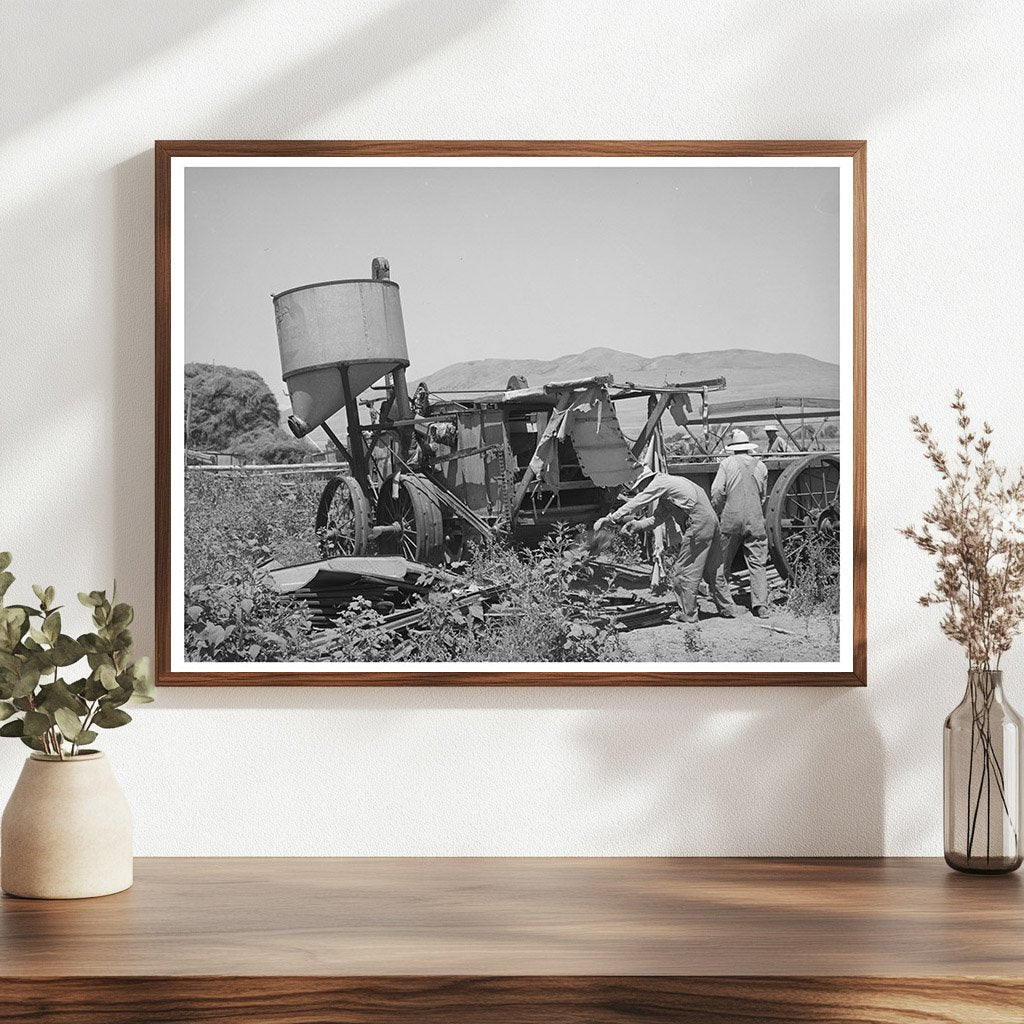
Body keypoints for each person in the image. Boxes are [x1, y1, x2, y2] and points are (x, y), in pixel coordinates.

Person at [595, 470, 737, 623]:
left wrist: (611, 518)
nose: (640, 490)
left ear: (647, 480)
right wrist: (638, 525)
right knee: (714, 569)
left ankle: (689, 614)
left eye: (640, 486)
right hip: (711, 521)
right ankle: (727, 608)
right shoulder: (670, 487)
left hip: (699, 524)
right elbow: (657, 519)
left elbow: (639, 501)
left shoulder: (660, 483)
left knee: (682, 572)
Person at [712, 429, 770, 617]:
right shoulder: (761, 466)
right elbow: (763, 496)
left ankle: (725, 602)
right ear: (748, 447)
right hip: (755, 517)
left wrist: (718, 509)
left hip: (731, 517)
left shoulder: (726, 464)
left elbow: (717, 491)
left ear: (733, 448)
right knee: (757, 562)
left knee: (722, 561)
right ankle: (760, 606)